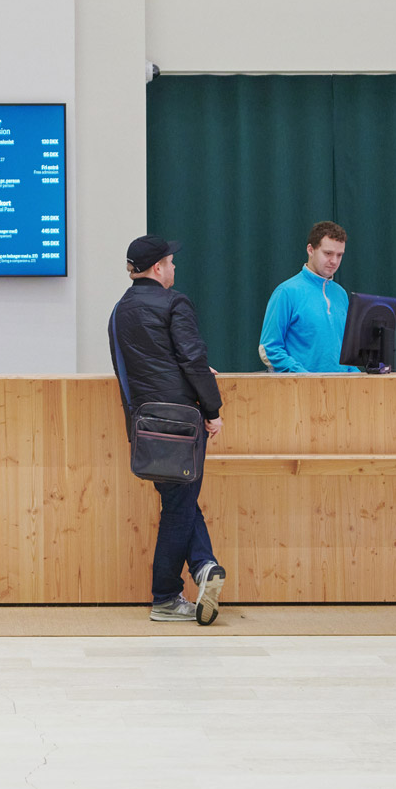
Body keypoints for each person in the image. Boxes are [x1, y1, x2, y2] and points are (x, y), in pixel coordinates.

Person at [108, 235, 227, 625]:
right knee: (179, 508)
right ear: (158, 268)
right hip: (180, 424)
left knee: (178, 503)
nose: (174, 269)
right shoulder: (175, 303)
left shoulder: (118, 312)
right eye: (171, 263)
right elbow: (193, 360)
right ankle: (165, 596)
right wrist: (212, 410)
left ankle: (204, 568)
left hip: (144, 424)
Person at [258, 221, 362, 374]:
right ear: (310, 250)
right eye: (328, 253)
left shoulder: (341, 294)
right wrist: (304, 377)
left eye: (339, 255)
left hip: (342, 392)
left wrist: (357, 378)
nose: (334, 261)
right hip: (299, 393)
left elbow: (346, 353)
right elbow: (269, 349)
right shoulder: (286, 292)